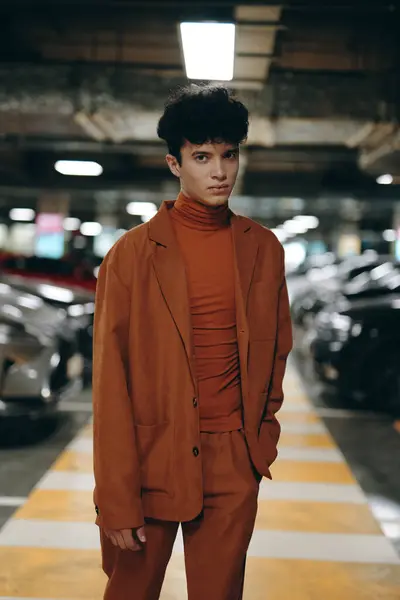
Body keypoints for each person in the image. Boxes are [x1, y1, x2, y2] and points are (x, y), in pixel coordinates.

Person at [92, 83, 292, 600]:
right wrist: (115, 496)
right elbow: (110, 383)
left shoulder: (263, 249)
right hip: (150, 457)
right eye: (202, 157)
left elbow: (276, 353)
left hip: (232, 460)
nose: (219, 171)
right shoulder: (132, 255)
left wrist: (258, 440)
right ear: (175, 164)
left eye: (228, 155)